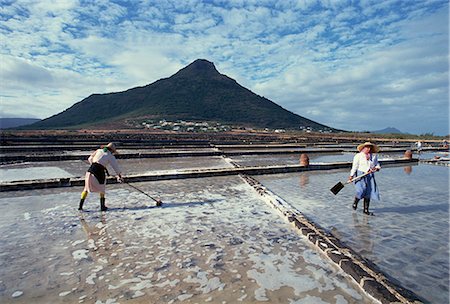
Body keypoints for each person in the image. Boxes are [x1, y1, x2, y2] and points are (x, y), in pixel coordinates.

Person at [78, 143, 123, 211]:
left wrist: (94, 164)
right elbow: (115, 166)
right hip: (98, 173)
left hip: (89, 171)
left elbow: (90, 158)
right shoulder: (110, 156)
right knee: (102, 189)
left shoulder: (98, 150)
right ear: (112, 150)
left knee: (86, 188)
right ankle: (102, 206)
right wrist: (119, 175)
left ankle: (80, 206)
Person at [349, 142, 381, 216]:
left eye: (370, 148)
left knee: (368, 192)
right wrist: (351, 176)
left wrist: (376, 168)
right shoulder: (358, 156)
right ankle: (355, 202)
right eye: (367, 147)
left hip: (369, 176)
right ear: (363, 148)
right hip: (360, 175)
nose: (368, 149)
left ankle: (366, 210)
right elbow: (355, 166)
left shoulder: (373, 156)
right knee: (361, 190)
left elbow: (377, 165)